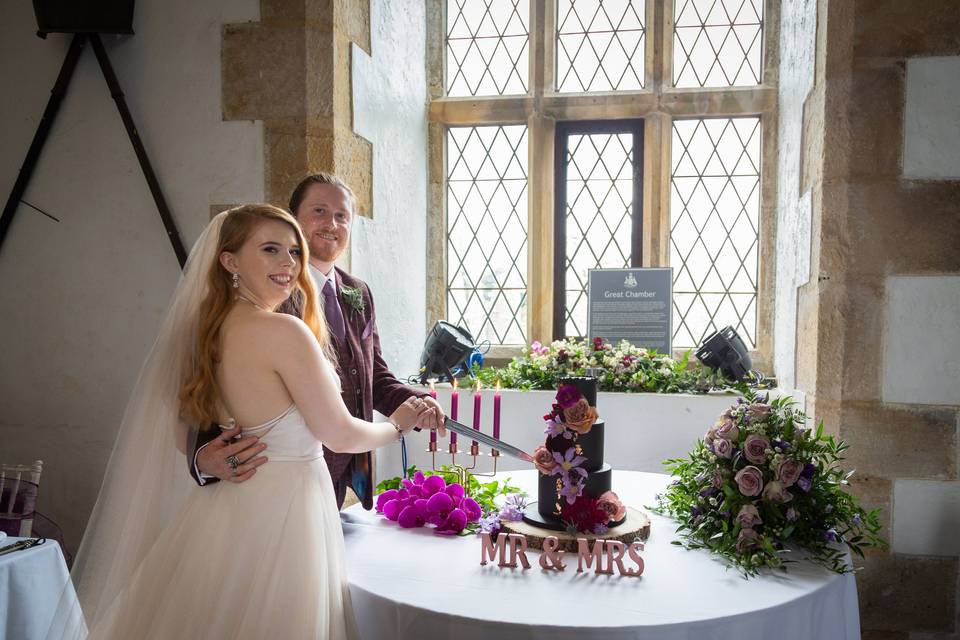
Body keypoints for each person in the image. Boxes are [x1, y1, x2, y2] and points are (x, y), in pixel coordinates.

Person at [49, 205, 431, 639]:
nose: (288, 264)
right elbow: (340, 435)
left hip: (224, 508)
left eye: (292, 251)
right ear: (229, 261)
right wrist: (399, 424)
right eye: (270, 250)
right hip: (286, 510)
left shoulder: (205, 330)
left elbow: (178, 417)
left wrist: (203, 457)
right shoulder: (285, 332)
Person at [191, 173, 444, 509]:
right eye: (320, 211)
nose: (332, 224)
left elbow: (374, 377)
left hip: (339, 478)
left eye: (342, 216)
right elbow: (207, 378)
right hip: (277, 478)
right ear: (293, 219)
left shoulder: (359, 292)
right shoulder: (267, 292)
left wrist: (418, 403)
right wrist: (202, 455)